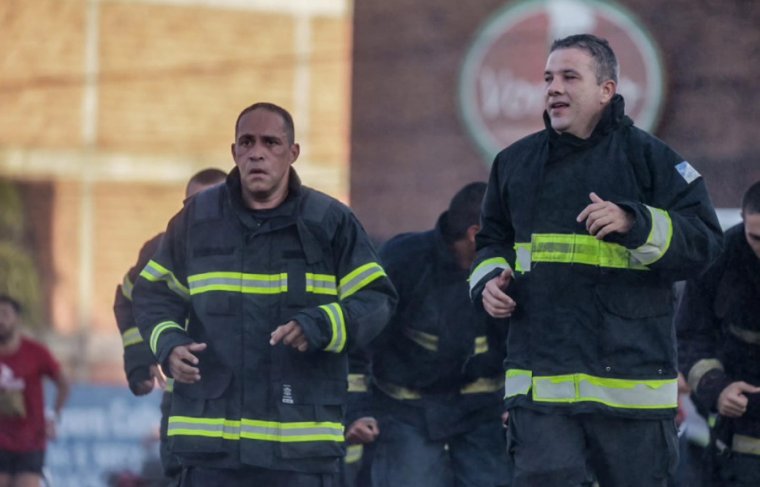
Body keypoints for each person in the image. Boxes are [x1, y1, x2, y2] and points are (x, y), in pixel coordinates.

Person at [468, 34, 723, 486]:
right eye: (548, 78)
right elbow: (491, 241)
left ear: (607, 90)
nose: (553, 88)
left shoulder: (654, 161)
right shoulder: (514, 163)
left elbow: (704, 244)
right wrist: (489, 280)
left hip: (631, 392)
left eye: (569, 76)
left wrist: (635, 222)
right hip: (540, 389)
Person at [132, 102, 397, 487]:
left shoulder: (330, 222)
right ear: (235, 152)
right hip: (212, 446)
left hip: (299, 447)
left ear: (293, 153)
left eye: (271, 142)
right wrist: (169, 344)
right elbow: (153, 293)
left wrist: (323, 324)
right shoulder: (196, 219)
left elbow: (377, 299)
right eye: (247, 142)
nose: (257, 152)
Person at [345, 182, 511, 487]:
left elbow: (521, 343)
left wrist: (518, 404)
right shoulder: (404, 261)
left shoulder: (506, 272)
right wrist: (358, 410)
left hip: (482, 413)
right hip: (407, 412)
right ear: (476, 234)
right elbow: (359, 341)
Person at [113, 167, 227, 481]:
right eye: (191, 203)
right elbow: (129, 298)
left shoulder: (258, 244)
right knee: (180, 474)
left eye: (213, 200)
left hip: (249, 394)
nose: (201, 211)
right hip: (186, 392)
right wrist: (141, 359)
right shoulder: (163, 248)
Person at [676, 180, 760, 486]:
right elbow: (691, 336)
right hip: (739, 430)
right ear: (741, 217)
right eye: (757, 238)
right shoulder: (720, 259)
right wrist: (717, 388)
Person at [0, 295, 69, 487]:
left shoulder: (35, 352)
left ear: (17, 319)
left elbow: (63, 383)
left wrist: (54, 416)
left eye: (5, 314)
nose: (0, 320)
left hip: (30, 440)